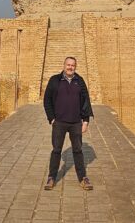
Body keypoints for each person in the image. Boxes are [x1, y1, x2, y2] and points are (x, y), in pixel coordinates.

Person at [43, 56, 94, 190]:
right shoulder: (55, 80)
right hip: (59, 122)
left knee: (77, 150)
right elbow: (47, 100)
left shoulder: (79, 81)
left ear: (75, 67)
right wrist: (52, 118)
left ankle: (83, 178)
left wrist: (86, 121)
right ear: (64, 65)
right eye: (68, 65)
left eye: (73, 65)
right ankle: (51, 177)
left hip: (75, 123)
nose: (70, 67)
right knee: (56, 150)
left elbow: (85, 101)